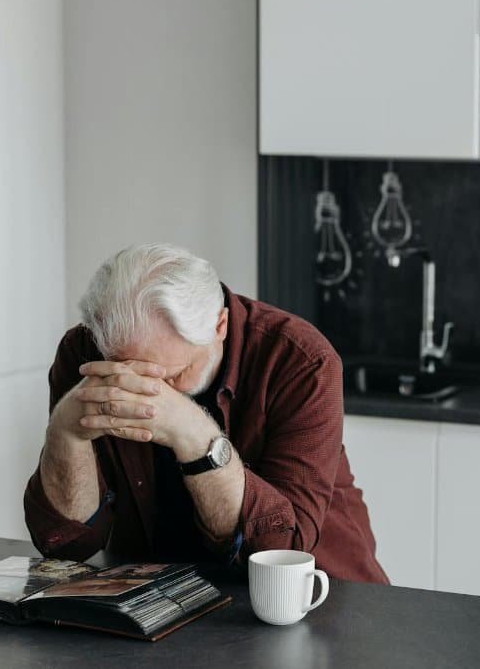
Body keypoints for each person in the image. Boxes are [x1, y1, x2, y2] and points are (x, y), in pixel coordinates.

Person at [24, 243, 388, 584]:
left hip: (316, 595)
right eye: (131, 378)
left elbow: (282, 550)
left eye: (173, 376)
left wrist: (195, 434)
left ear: (220, 326)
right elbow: (67, 545)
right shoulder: (85, 352)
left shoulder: (300, 359)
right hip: (161, 597)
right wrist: (66, 432)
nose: (155, 396)